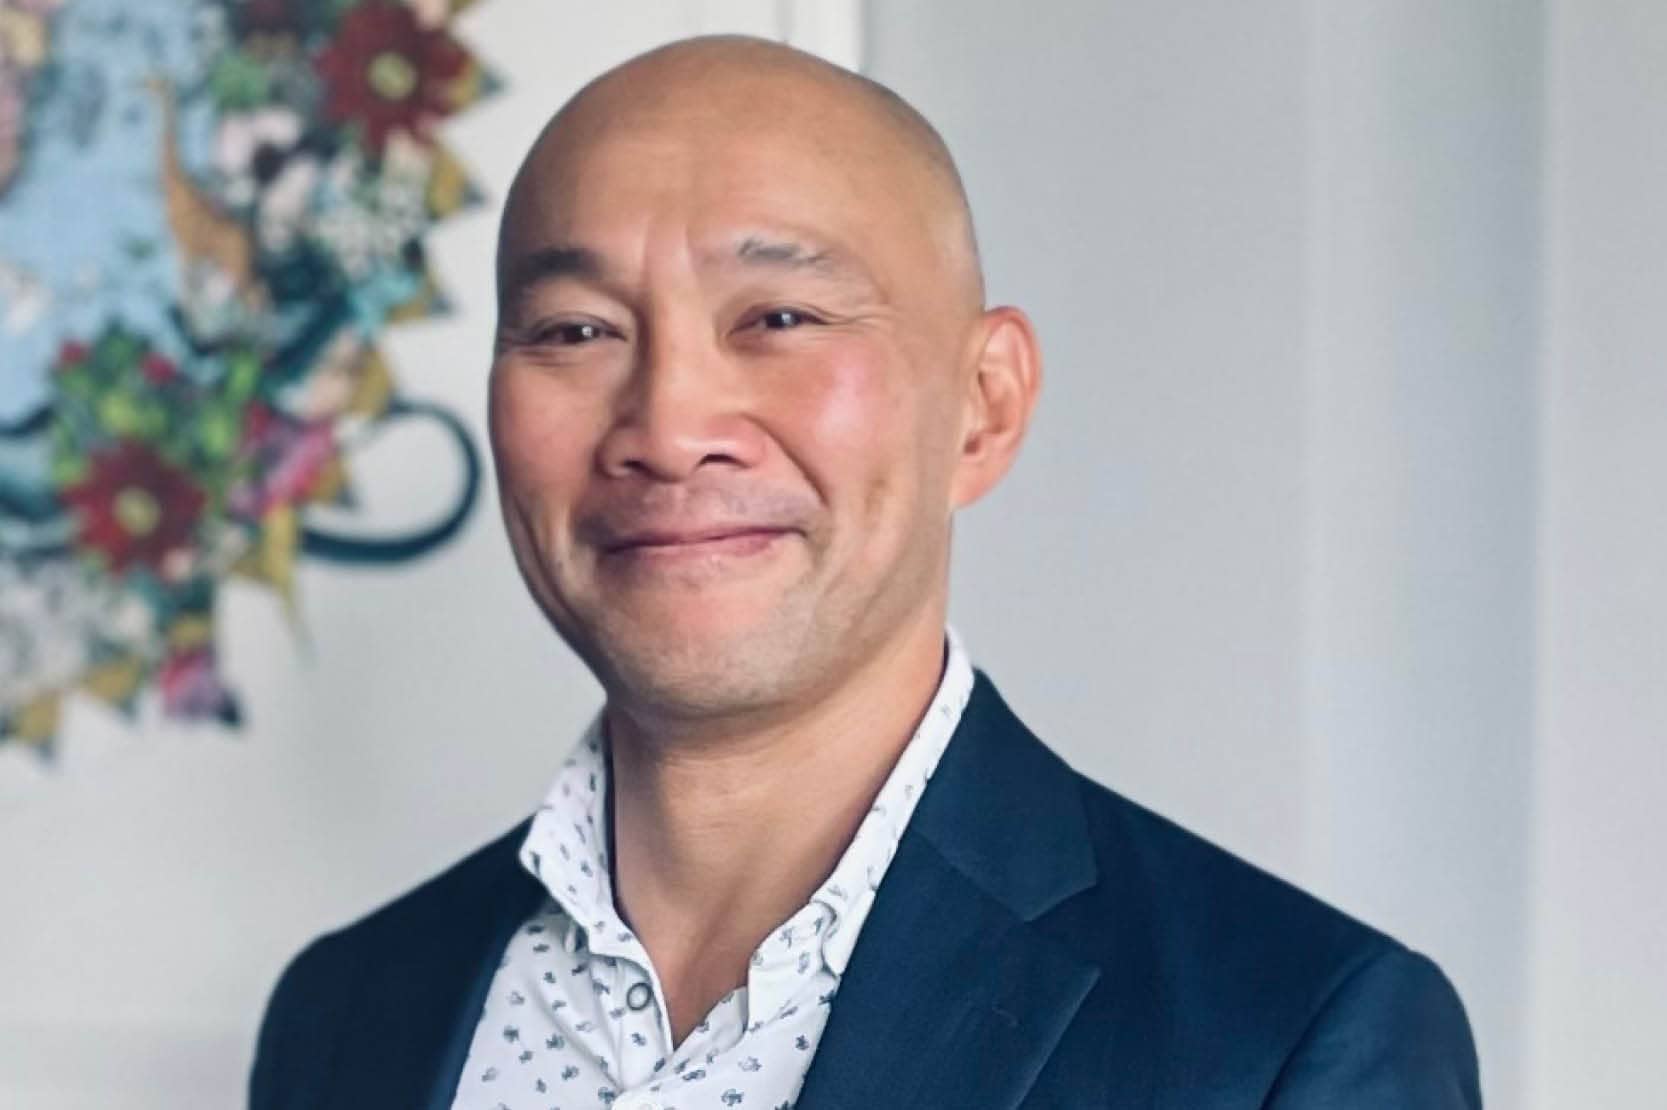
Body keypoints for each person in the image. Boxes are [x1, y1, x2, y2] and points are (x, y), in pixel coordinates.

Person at [249, 35, 1480, 1110]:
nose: (669, 427)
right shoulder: (347, 1009)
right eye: (577, 331)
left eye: (777, 319)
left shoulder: (1283, 1039)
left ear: (984, 406)